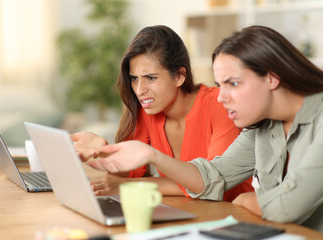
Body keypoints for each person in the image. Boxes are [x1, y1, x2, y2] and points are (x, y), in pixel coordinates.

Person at [87, 25, 323, 232]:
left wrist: (248, 199)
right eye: (220, 85)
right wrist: (152, 156)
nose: (221, 97)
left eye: (233, 83)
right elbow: (211, 177)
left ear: (271, 78)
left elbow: (287, 207)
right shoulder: (264, 123)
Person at [72, 25, 253, 201]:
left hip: (231, 213)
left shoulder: (219, 104)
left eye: (151, 78)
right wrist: (102, 150)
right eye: (134, 79)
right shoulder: (148, 112)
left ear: (179, 76)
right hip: (189, 212)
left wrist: (127, 186)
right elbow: (128, 173)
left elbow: (210, 184)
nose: (140, 90)